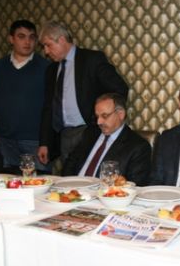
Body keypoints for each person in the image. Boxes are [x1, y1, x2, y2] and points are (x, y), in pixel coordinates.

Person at [37, 21, 129, 166]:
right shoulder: (51, 70)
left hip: (90, 131)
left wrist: (102, 118)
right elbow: (49, 107)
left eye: (48, 45)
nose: (46, 51)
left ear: (61, 40)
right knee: (68, 176)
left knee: (89, 175)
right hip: (64, 135)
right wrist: (44, 142)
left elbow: (119, 88)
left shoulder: (91, 59)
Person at [0, 20, 50, 173]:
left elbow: (52, 106)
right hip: (5, 139)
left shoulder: (46, 67)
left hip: (35, 140)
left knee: (37, 181)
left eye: (31, 37)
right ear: (11, 39)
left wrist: (46, 141)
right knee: (7, 180)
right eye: (21, 36)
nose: (27, 42)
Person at [62, 93, 151, 185]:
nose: (99, 122)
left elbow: (134, 185)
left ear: (120, 114)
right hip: (73, 189)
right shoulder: (90, 133)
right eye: (97, 116)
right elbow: (71, 163)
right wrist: (68, 185)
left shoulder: (138, 146)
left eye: (104, 116)